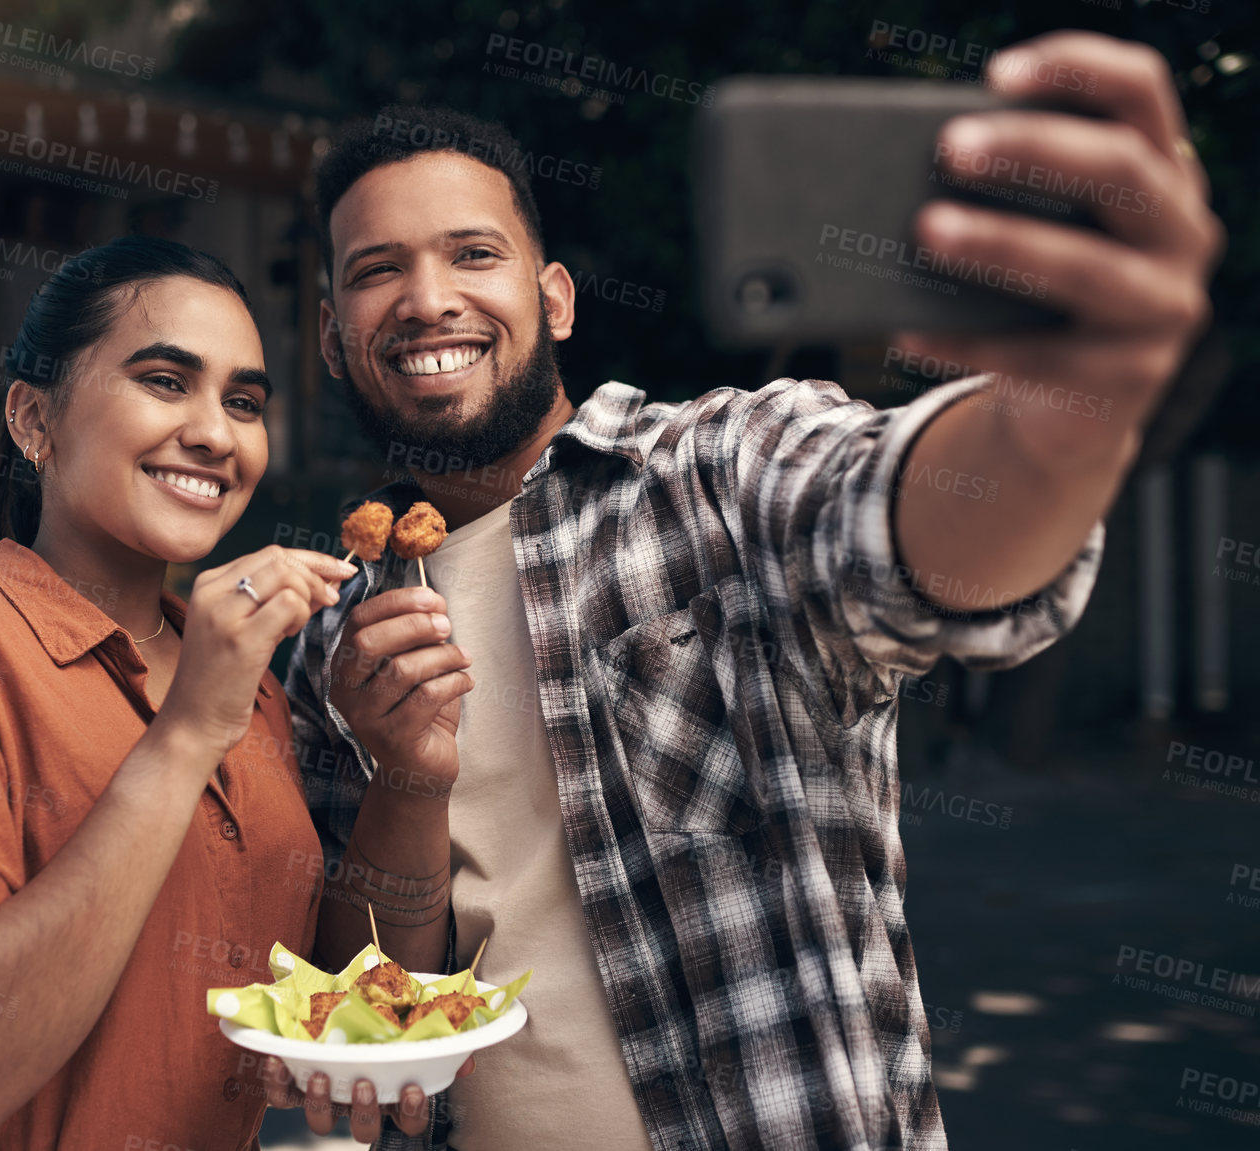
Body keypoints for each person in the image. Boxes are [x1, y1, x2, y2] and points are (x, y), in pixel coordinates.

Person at [282, 30, 1223, 1151]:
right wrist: (403, 778)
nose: (426, 299)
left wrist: (1063, 409)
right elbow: (371, 1012)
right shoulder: (326, 638)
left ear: (557, 299)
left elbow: (909, 531)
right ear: (334, 341)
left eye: (471, 254)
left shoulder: (720, 469)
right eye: (375, 270)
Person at [0, 235, 429, 1149]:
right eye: (165, 380)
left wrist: (409, 775)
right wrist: (189, 727)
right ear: (33, 419)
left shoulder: (251, 690)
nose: (215, 430)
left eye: (244, 401)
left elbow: (340, 1005)